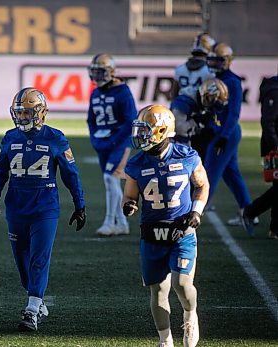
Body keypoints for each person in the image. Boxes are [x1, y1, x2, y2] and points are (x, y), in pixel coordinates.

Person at [0, 87, 86, 332]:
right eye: (18, 113)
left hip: (45, 208)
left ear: (41, 112)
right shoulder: (10, 137)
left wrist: (79, 204)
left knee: (39, 259)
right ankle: (36, 298)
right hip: (17, 206)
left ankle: (31, 311)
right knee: (22, 263)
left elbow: (70, 174)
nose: (21, 118)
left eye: (27, 113)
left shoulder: (55, 137)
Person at [123, 104, 209, 347]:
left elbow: (202, 185)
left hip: (181, 231)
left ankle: (190, 315)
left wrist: (196, 211)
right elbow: (130, 195)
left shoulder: (186, 155)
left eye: (146, 131)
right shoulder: (137, 163)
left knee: (181, 284)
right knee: (158, 291)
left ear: (161, 131)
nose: (140, 136)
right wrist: (129, 205)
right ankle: (165, 340)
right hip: (151, 233)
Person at [204, 45, 255, 228]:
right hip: (221, 131)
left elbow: (233, 113)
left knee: (209, 173)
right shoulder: (216, 79)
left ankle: (196, 212)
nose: (215, 63)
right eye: (213, 59)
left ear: (227, 61)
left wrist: (223, 136)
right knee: (232, 175)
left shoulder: (232, 81)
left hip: (226, 133)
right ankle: (250, 212)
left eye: (219, 60)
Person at [87, 53, 136, 236]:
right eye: (94, 72)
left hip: (119, 142)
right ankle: (122, 223)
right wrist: (95, 139)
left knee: (110, 178)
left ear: (110, 72)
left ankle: (109, 221)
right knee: (111, 180)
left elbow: (130, 120)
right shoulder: (95, 93)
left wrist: (114, 140)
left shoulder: (122, 91)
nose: (97, 76)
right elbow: (91, 120)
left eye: (100, 72)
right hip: (103, 142)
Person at [241, 74, 278, 238]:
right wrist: (275, 146)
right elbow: (268, 122)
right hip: (274, 147)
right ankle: (251, 212)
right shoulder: (274, 91)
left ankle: (272, 227)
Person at [171, 33, 215, 146]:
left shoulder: (180, 69)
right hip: (194, 111)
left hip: (177, 107)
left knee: (175, 141)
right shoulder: (209, 71)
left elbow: (174, 92)